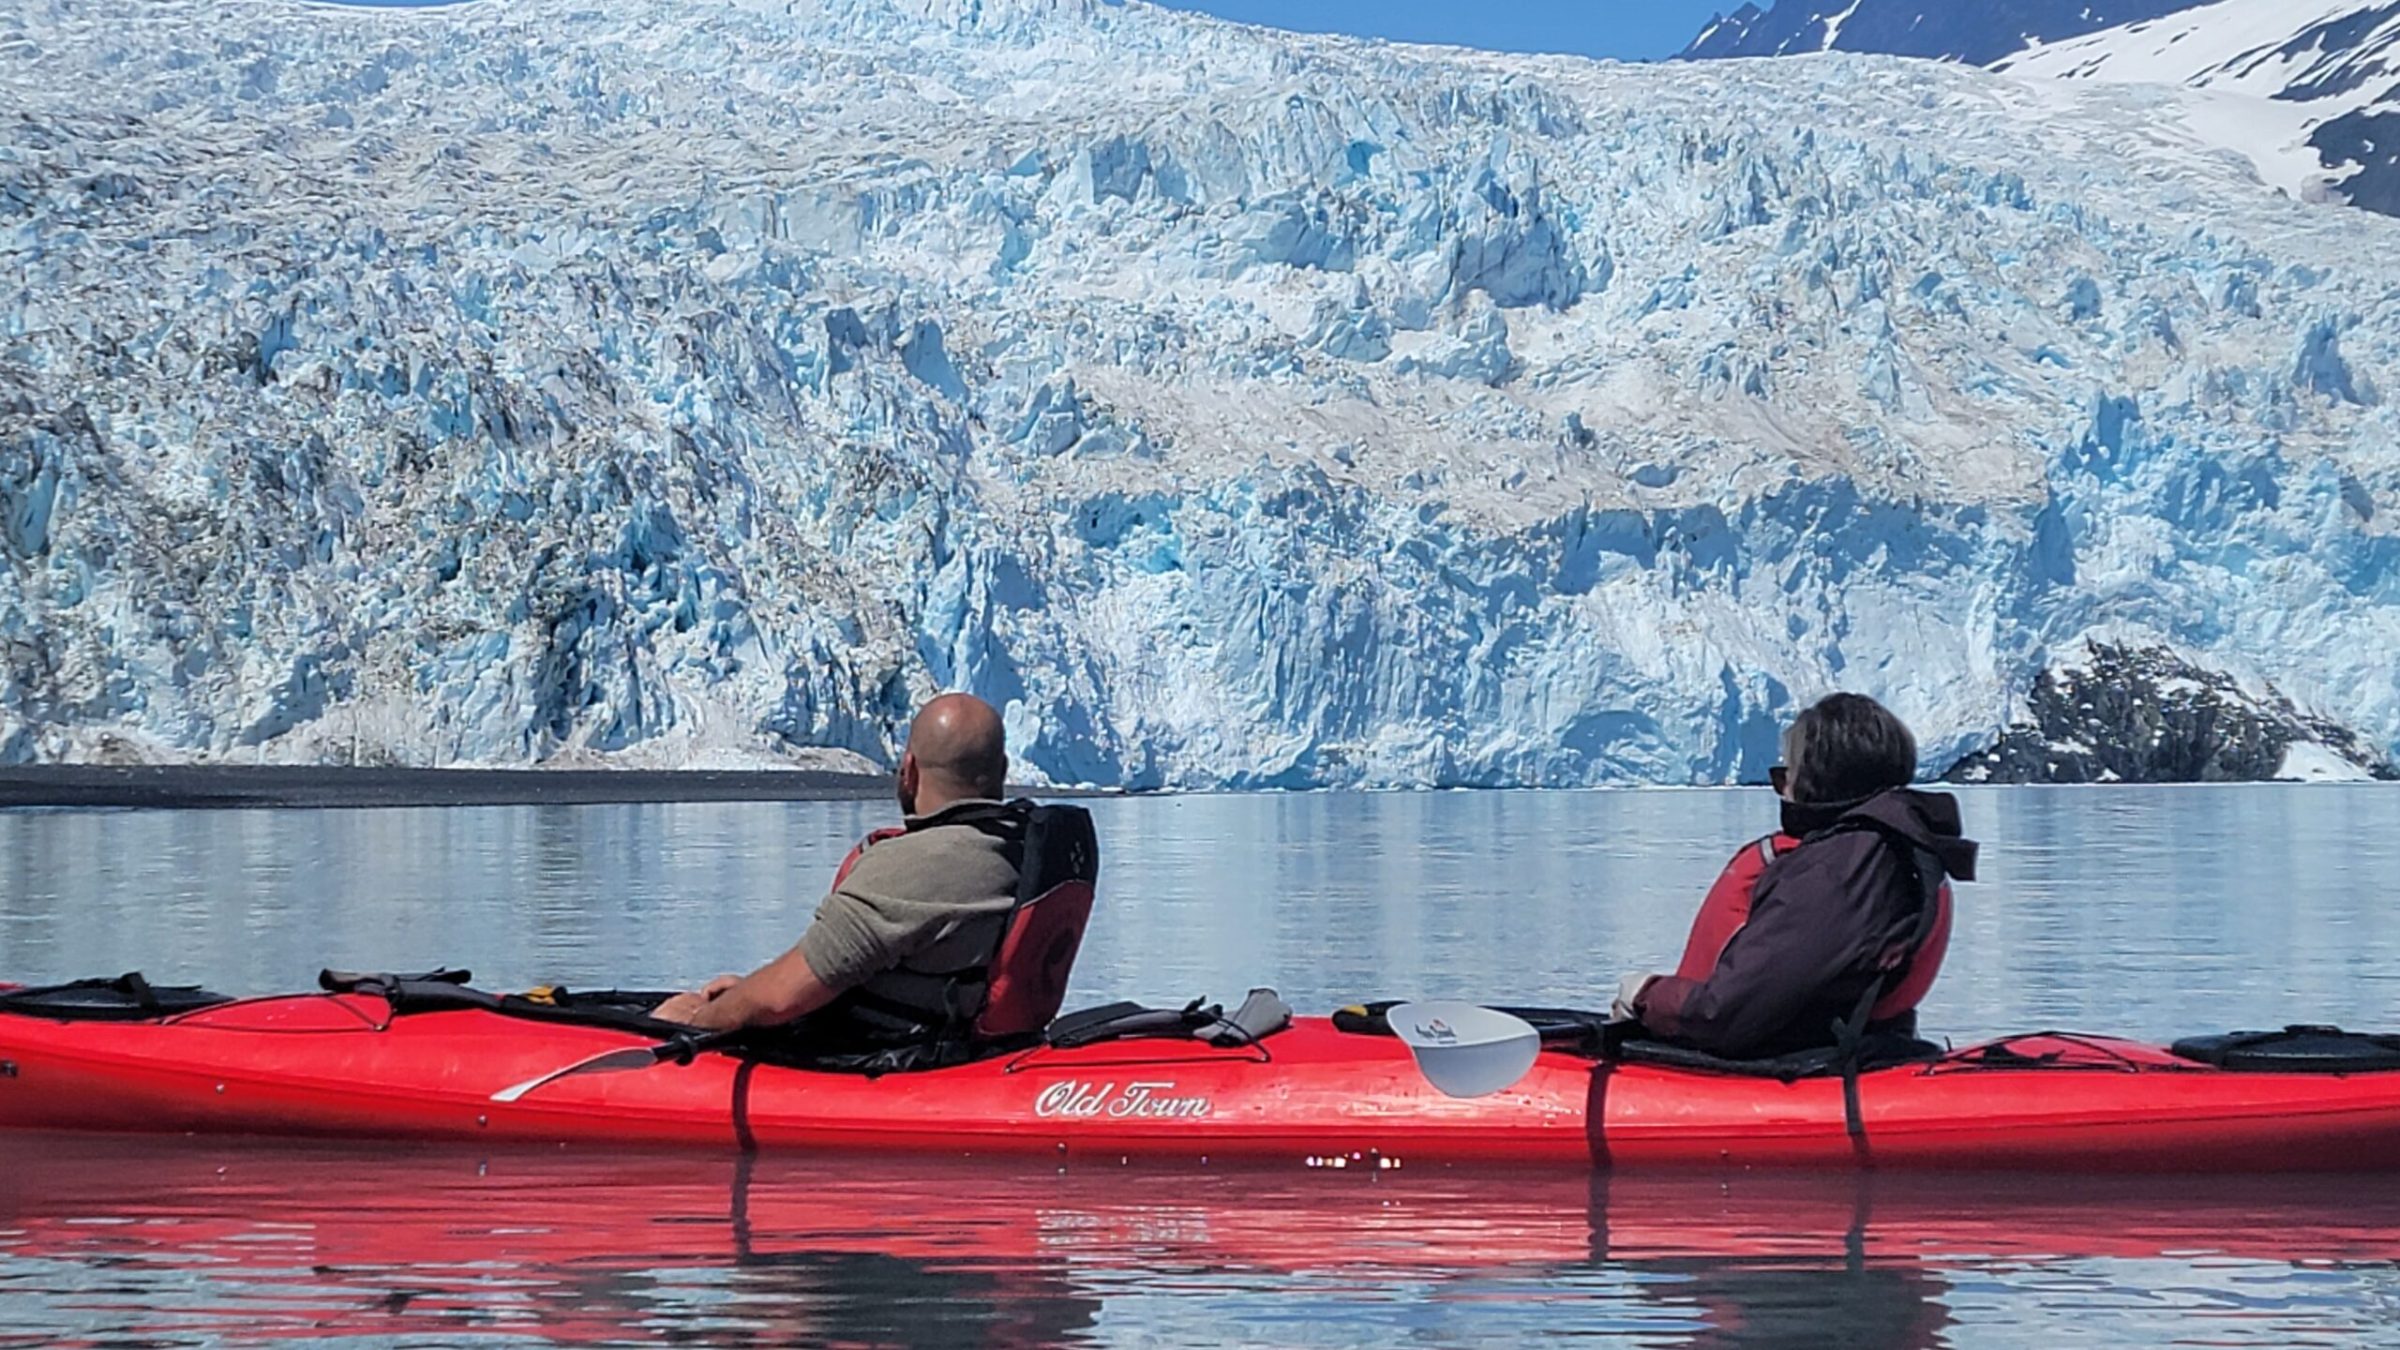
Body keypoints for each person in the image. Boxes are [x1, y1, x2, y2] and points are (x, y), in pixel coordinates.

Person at [651, 693, 1099, 1062]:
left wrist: (696, 1020)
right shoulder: (1019, 849)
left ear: (908, 770)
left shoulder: (919, 865)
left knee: (685, 1010)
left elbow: (780, 1000)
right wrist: (746, 989)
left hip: (894, 1055)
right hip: (971, 1044)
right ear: (1002, 772)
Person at [1611, 693, 1977, 1060]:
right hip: (1848, 1050)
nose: (1782, 789)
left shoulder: (1838, 871)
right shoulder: (1882, 848)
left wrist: (1646, 995)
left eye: (1786, 774)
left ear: (1817, 779)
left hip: (1795, 1062)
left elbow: (1726, 1015)